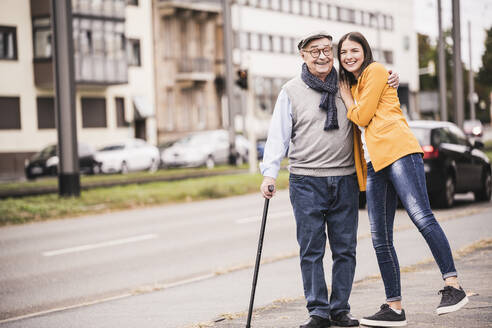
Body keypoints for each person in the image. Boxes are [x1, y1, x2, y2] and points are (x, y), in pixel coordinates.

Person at [259, 32, 399, 328]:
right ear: (303, 55)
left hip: (345, 179)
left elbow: (376, 89)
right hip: (306, 181)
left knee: (345, 249)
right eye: (314, 51)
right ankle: (318, 312)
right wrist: (269, 174)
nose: (322, 56)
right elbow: (278, 136)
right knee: (311, 249)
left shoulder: (348, 84)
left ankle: (340, 309)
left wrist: (391, 77)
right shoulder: (291, 90)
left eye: (326, 50)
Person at [337, 31, 468, 327]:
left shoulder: (375, 70)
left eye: (354, 50)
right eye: (343, 52)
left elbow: (362, 116)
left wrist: (347, 98)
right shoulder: (356, 82)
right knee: (380, 237)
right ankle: (394, 307)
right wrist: (349, 93)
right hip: (375, 163)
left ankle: (454, 286)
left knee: (421, 216)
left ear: (364, 51)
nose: (349, 56)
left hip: (398, 152)